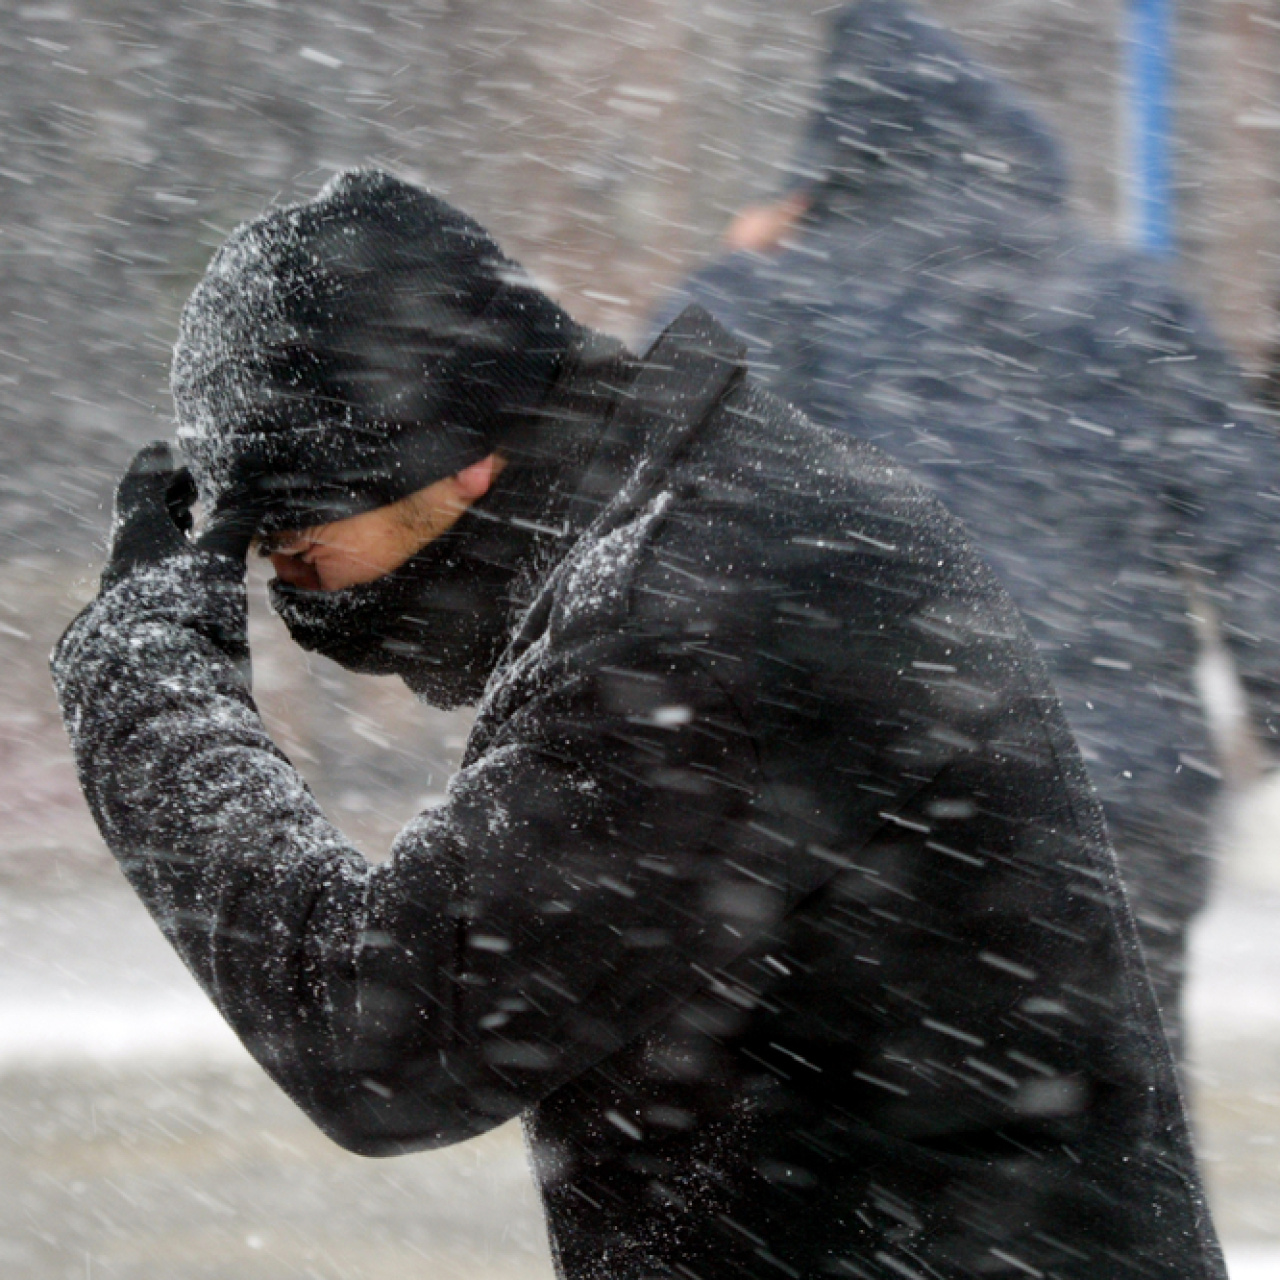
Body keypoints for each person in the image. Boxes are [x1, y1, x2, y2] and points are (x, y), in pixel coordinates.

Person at [52, 168, 1227, 1279]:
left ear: (451, 459)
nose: (291, 592)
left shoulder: (700, 611)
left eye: (298, 544)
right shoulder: (706, 525)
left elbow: (385, 1034)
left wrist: (147, 691)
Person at [661, 0, 1280, 1057]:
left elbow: (638, 519)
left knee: (852, 1121)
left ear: (825, 162)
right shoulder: (1128, 303)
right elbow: (1252, 529)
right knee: (1111, 1108)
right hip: (1108, 802)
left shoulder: (770, 304)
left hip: (850, 818)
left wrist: (728, 282)